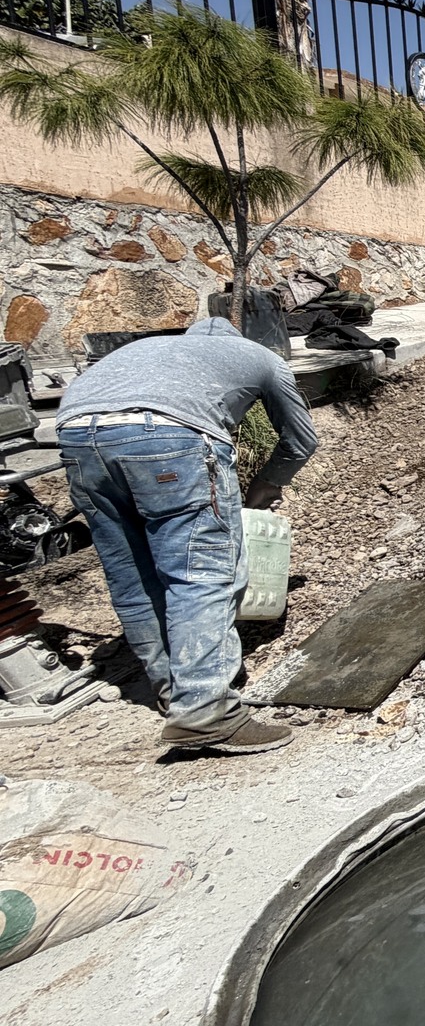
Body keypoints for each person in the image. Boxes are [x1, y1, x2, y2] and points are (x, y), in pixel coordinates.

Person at [56, 314, 320, 756]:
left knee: (130, 573)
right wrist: (267, 483)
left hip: (77, 437)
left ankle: (172, 690)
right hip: (168, 437)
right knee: (201, 573)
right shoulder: (258, 355)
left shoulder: (141, 351)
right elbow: (300, 439)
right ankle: (204, 710)